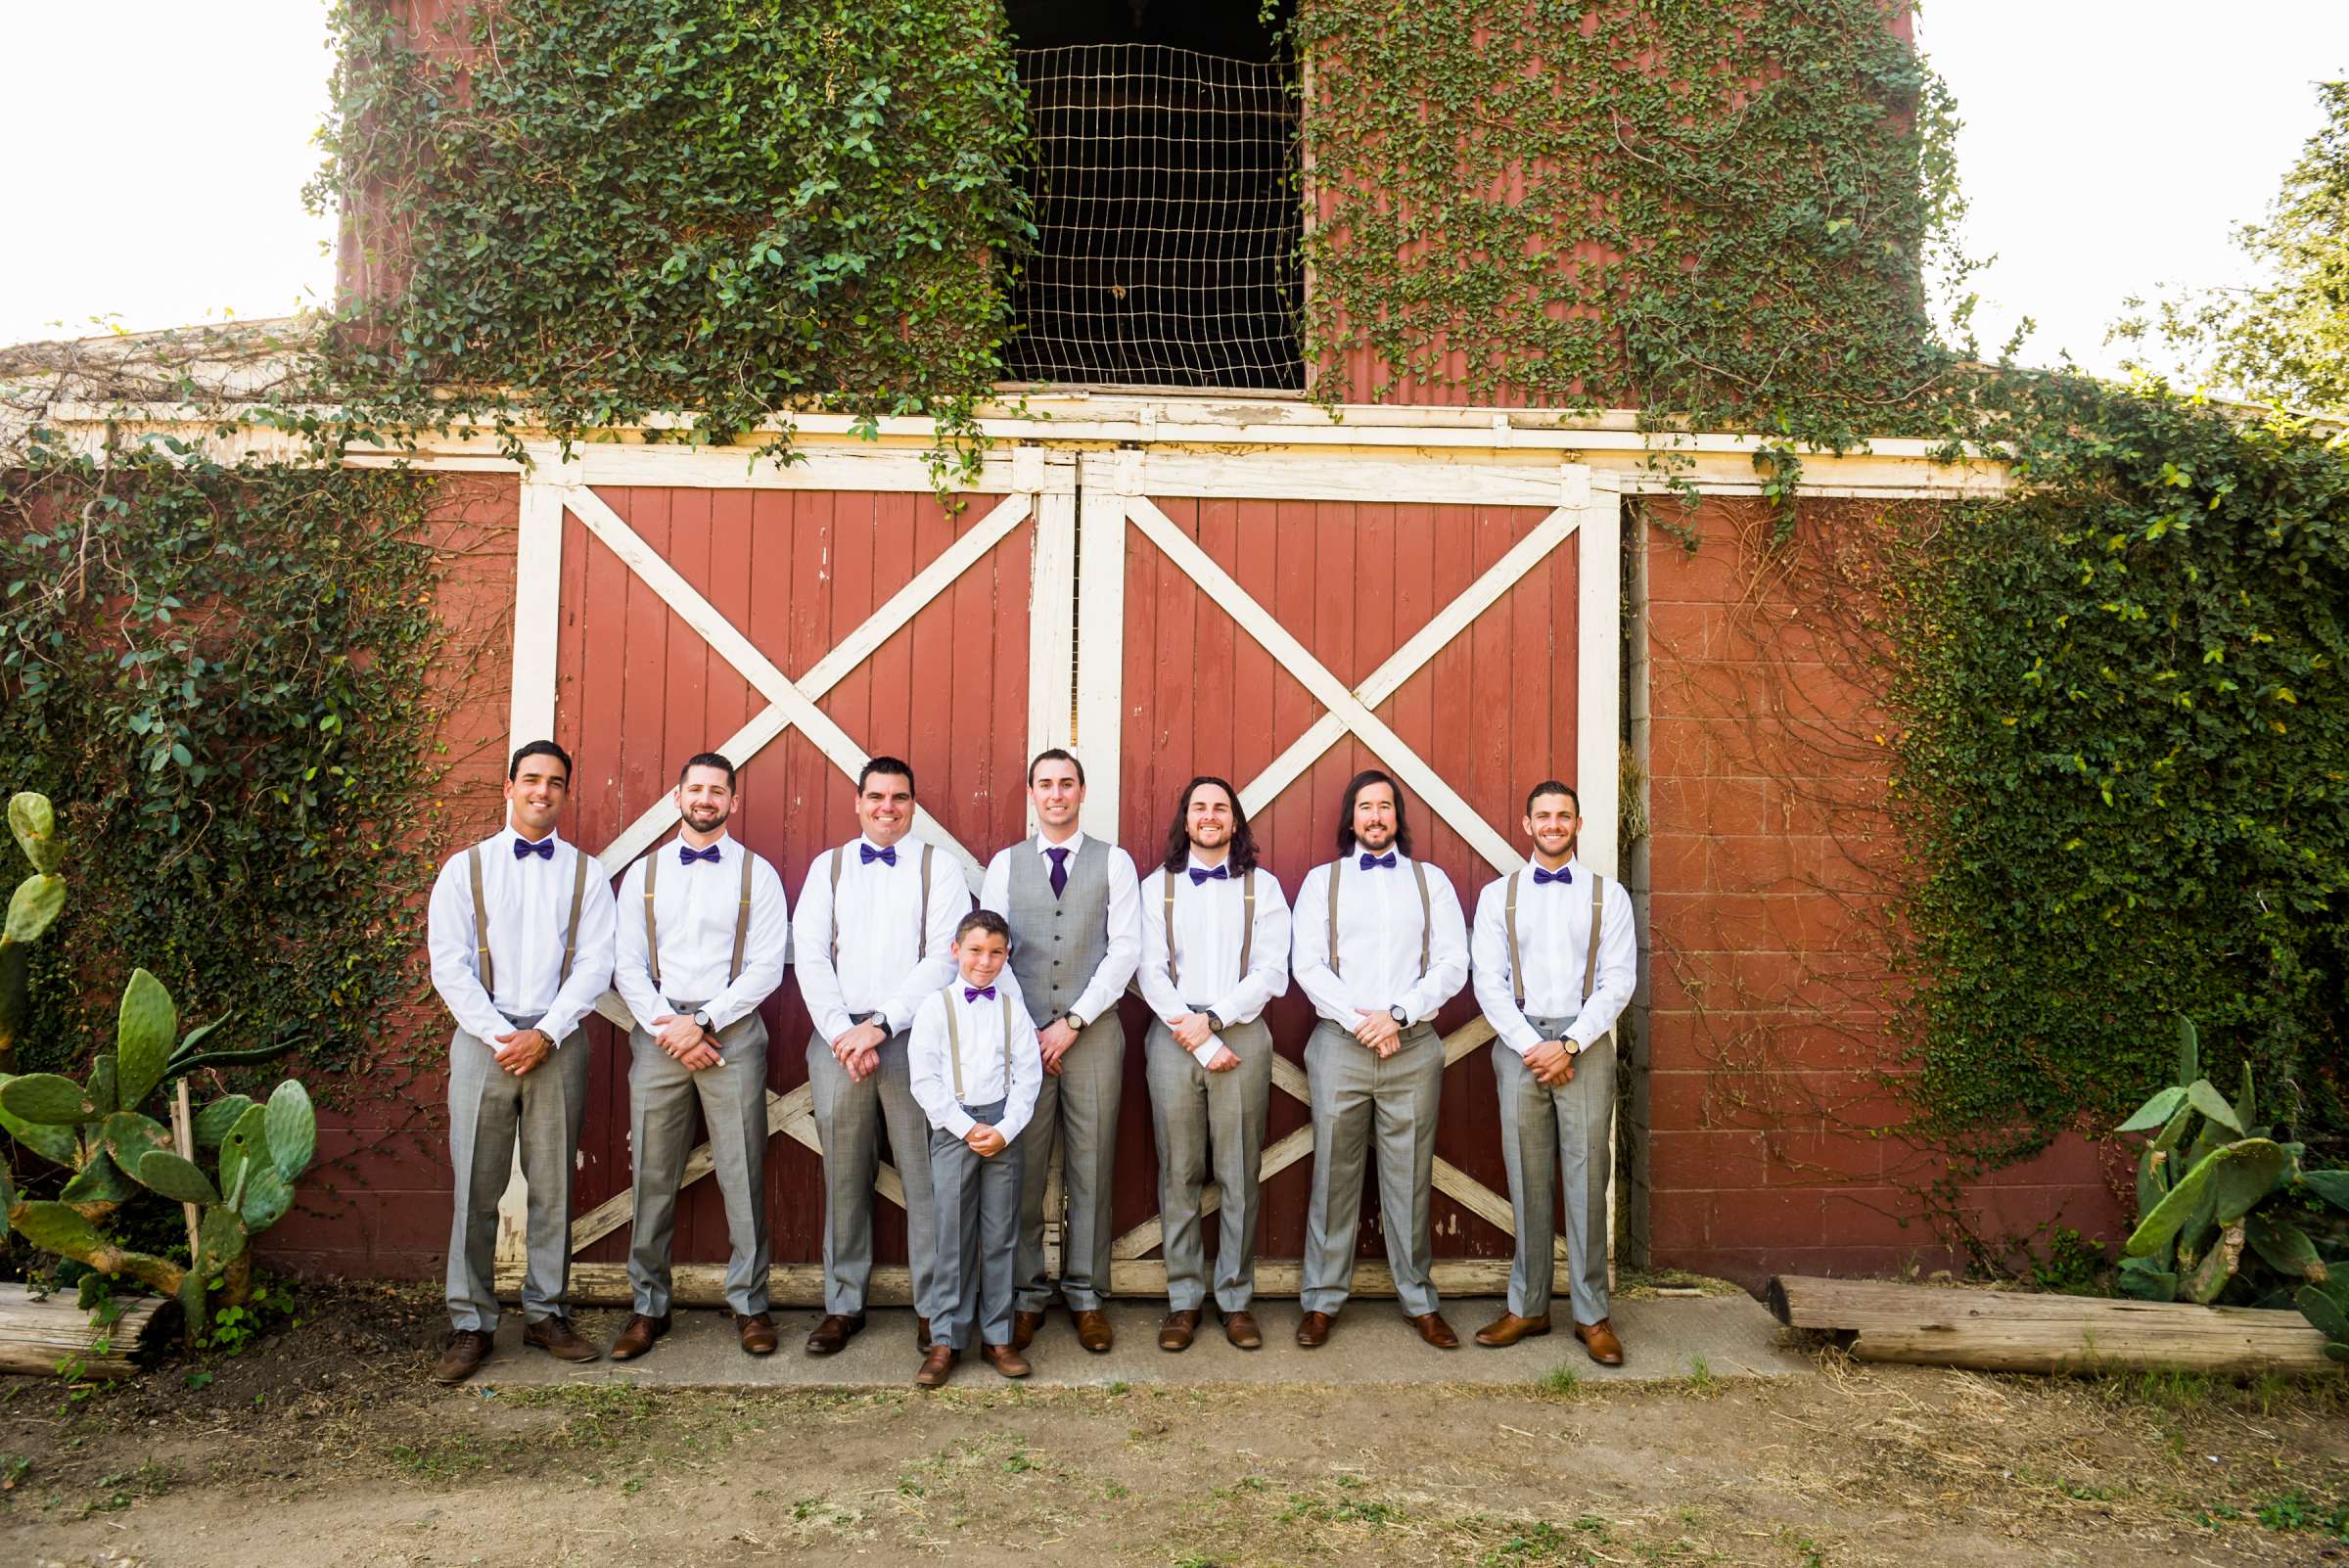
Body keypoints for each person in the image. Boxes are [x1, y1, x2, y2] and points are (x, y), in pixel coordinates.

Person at [425, 740, 617, 1384]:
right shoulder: (464, 870)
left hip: (558, 1044)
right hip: (484, 1043)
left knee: (554, 1191)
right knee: (476, 1190)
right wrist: (500, 1033)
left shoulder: (587, 875)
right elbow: (448, 966)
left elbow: (595, 963)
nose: (543, 791)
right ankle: (471, 1323)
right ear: (508, 788)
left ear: (566, 793)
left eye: (555, 782)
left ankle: (545, 1313)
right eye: (531, 779)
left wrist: (547, 1033)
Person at [607, 753, 790, 1359]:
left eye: (718, 791)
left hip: (730, 1033)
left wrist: (705, 1021)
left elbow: (767, 965)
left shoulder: (757, 875)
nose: (706, 799)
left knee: (742, 1173)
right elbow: (626, 963)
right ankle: (647, 1307)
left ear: (732, 802)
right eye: (696, 789)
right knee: (652, 1174)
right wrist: (672, 1028)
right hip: (660, 1035)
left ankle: (750, 1304)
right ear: (677, 796)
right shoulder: (643, 873)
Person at [792, 756, 970, 1355]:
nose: (887, 807)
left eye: (898, 797)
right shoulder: (829, 867)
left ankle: (934, 1309)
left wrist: (882, 1025)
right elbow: (810, 953)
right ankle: (843, 1306)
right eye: (876, 796)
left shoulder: (938, 869)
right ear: (858, 802)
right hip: (838, 1041)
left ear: (913, 805)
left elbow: (943, 959)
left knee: (925, 1180)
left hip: (913, 1040)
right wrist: (846, 1031)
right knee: (844, 1176)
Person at [1289, 769, 1468, 1351]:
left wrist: (1398, 1015)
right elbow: (1308, 965)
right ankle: (1321, 1301)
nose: (1374, 816)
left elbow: (1451, 963)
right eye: (1364, 806)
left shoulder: (1430, 882)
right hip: (1341, 1045)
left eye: (1384, 806)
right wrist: (1364, 1022)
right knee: (1333, 1176)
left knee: (1409, 1177)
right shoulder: (1324, 882)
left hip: (1411, 1048)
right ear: (1351, 818)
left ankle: (1419, 1299)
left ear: (1397, 817)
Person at [978, 748, 1140, 1356]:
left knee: (1091, 1168)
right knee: (1019, 1170)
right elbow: (994, 950)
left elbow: (1124, 950)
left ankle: (1086, 1295)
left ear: (1082, 790)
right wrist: (1030, 1029)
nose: (1056, 794)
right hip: (1021, 1041)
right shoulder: (1004, 864)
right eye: (1044, 784)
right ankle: (1025, 1295)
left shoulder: (1114, 863)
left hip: (1092, 1035)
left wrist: (1072, 1021)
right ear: (1031, 793)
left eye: (1066, 783)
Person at [1469, 780, 1637, 1363]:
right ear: (1526, 824)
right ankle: (1529, 1306)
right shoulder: (1499, 896)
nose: (1553, 824)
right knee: (1527, 1178)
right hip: (1519, 1047)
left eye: (1563, 815)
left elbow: (1619, 980)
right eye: (1543, 815)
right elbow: (1487, 981)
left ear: (1578, 825)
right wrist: (1531, 1045)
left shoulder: (1607, 896)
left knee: (1588, 1182)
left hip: (1583, 1044)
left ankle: (1593, 1314)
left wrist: (1568, 1043)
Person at [1134, 775, 1291, 1352]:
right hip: (1175, 1038)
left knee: (1238, 1172)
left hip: (1242, 1037)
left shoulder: (1264, 888)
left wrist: (1217, 1021)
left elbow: (1273, 971)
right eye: (1198, 806)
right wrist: (1196, 1034)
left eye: (1220, 807)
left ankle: (1235, 1297)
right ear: (1185, 818)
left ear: (1234, 820)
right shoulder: (1157, 889)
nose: (1209, 815)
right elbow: (1147, 970)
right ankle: (1182, 1300)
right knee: (1178, 1172)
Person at [906, 910, 1044, 1387]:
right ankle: (945, 1339)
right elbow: (924, 1080)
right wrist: (966, 1128)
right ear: (955, 951)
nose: (985, 962)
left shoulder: (1012, 1009)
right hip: (953, 1128)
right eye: (975, 951)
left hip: (1004, 1129)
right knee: (953, 1237)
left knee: (1002, 1234)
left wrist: (1005, 1128)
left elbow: (1029, 1076)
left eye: (996, 953)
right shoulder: (934, 1008)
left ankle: (998, 1337)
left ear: (1007, 957)